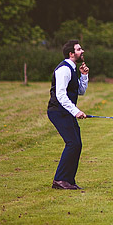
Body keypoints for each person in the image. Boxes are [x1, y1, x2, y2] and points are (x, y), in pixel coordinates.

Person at [48, 40, 89, 190]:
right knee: (72, 143)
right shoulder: (64, 70)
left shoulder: (72, 69)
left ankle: (69, 181)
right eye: (79, 49)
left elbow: (80, 91)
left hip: (65, 112)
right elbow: (60, 95)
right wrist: (76, 111)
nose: (82, 51)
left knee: (77, 144)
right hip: (58, 111)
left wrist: (84, 75)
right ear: (71, 54)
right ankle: (60, 180)